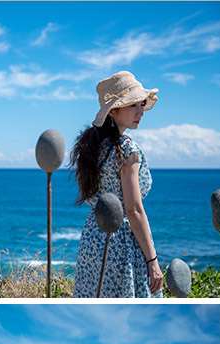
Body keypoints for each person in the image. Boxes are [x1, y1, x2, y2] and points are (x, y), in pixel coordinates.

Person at [71, 70, 163, 298]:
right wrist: (152, 260)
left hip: (93, 237)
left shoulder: (93, 147)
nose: (140, 111)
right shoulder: (127, 150)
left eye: (141, 104)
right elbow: (133, 210)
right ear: (113, 111)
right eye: (133, 105)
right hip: (120, 240)